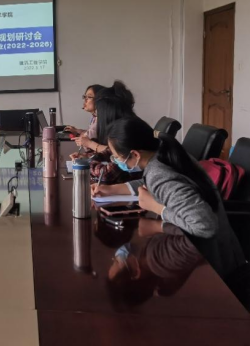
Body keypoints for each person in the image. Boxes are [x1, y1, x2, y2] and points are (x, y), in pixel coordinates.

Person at [93, 116, 246, 281]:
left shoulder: (159, 174)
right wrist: (110, 189)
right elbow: (152, 182)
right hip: (226, 252)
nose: (115, 161)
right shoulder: (163, 155)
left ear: (135, 154)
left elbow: (205, 226)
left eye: (116, 157)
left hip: (215, 269)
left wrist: (157, 209)